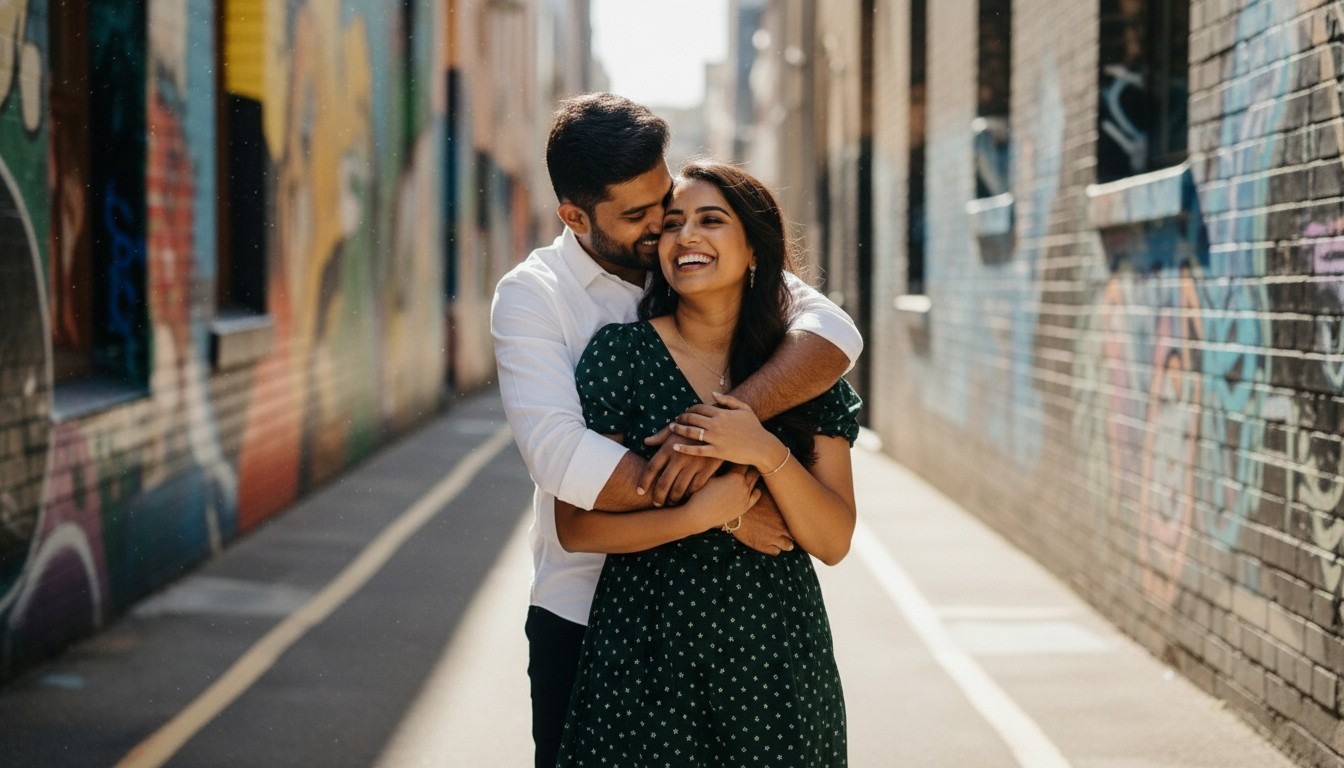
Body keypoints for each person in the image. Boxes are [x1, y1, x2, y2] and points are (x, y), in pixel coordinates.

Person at [491, 93, 863, 768]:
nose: (665, 228)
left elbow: (834, 334)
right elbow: (562, 460)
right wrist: (718, 510)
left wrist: (734, 429)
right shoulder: (535, 297)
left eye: (664, 201)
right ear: (575, 216)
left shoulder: (732, 284)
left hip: (763, 636)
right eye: (640, 216)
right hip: (593, 617)